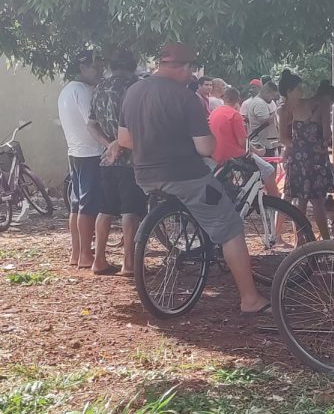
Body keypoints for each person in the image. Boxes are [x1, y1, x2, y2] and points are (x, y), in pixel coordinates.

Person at [118, 42, 270, 314]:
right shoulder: (184, 98)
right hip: (185, 177)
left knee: (199, 208)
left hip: (145, 176)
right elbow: (206, 148)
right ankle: (250, 299)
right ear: (185, 67)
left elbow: (124, 140)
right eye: (192, 69)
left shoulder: (132, 92)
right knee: (231, 226)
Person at [87, 49, 148, 276]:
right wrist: (119, 145)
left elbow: (91, 124)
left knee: (106, 209)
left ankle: (99, 260)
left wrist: (108, 145)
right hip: (132, 158)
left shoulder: (100, 88)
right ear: (133, 66)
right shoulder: (134, 87)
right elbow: (138, 124)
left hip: (107, 160)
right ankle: (129, 264)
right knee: (130, 211)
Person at [58, 50, 106, 270]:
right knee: (88, 206)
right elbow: (92, 123)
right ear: (82, 68)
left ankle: (77, 253)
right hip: (90, 154)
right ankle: (86, 254)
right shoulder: (82, 91)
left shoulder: (67, 90)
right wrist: (110, 143)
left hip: (75, 153)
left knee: (77, 205)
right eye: (95, 67)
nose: (100, 71)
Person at [277, 69, 334, 239]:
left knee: (300, 201)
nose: (302, 92)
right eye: (299, 89)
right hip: (315, 158)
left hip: (298, 159)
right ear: (290, 91)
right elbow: (326, 135)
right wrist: (313, 146)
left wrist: (297, 148)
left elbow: (284, 138)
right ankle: (325, 241)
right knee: (317, 201)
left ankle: (300, 242)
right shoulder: (320, 105)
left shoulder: (286, 109)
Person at [208, 87, 280, 197]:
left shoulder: (214, 112)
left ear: (224, 98)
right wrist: (258, 151)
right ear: (238, 100)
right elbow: (243, 142)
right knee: (269, 170)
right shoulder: (234, 114)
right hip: (235, 156)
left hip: (217, 155)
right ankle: (276, 200)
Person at [240, 81, 281, 157]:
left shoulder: (260, 101)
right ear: (266, 92)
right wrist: (277, 112)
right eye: (272, 96)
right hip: (262, 145)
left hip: (265, 143)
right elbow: (266, 121)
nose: (273, 99)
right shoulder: (259, 103)